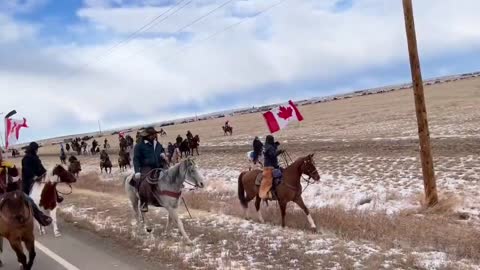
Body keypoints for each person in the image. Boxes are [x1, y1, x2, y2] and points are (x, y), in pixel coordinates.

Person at [1, 146, 52, 226]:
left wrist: (12, 167)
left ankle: (41, 217)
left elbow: (16, 178)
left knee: (28, 199)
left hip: (11, 192)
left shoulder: (5, 165)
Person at [131, 127, 168, 212]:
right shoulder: (139, 146)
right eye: (152, 134)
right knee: (145, 183)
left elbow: (161, 149)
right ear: (147, 136)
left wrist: (162, 154)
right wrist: (137, 171)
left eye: (155, 134)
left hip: (159, 165)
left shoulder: (157, 143)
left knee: (171, 176)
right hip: (146, 167)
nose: (154, 135)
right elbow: (136, 159)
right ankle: (143, 203)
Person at [259, 135, 284, 200]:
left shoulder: (267, 145)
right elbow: (273, 155)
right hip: (269, 166)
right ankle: (268, 193)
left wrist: (276, 144)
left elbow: (272, 147)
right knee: (269, 180)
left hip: (272, 165)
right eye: (272, 140)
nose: (273, 141)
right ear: (270, 140)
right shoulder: (269, 147)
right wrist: (279, 151)